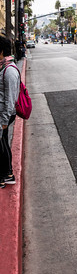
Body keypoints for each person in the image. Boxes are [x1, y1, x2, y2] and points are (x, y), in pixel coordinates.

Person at [0, 35, 19, 187]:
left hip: (5, 115)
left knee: (1, 143)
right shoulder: (3, 67)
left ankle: (6, 174)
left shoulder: (9, 71)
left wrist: (4, 121)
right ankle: (7, 173)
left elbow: (10, 99)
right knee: (3, 141)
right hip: (3, 114)